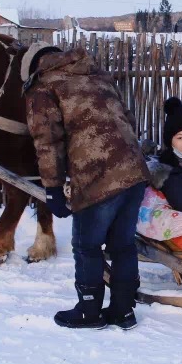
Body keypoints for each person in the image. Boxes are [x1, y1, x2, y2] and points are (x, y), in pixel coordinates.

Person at [24, 46, 149, 331]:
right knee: (123, 246)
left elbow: (47, 142)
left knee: (86, 245)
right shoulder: (99, 77)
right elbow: (128, 120)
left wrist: (53, 188)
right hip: (134, 171)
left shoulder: (43, 87)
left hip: (97, 176)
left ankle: (89, 310)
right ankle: (123, 311)